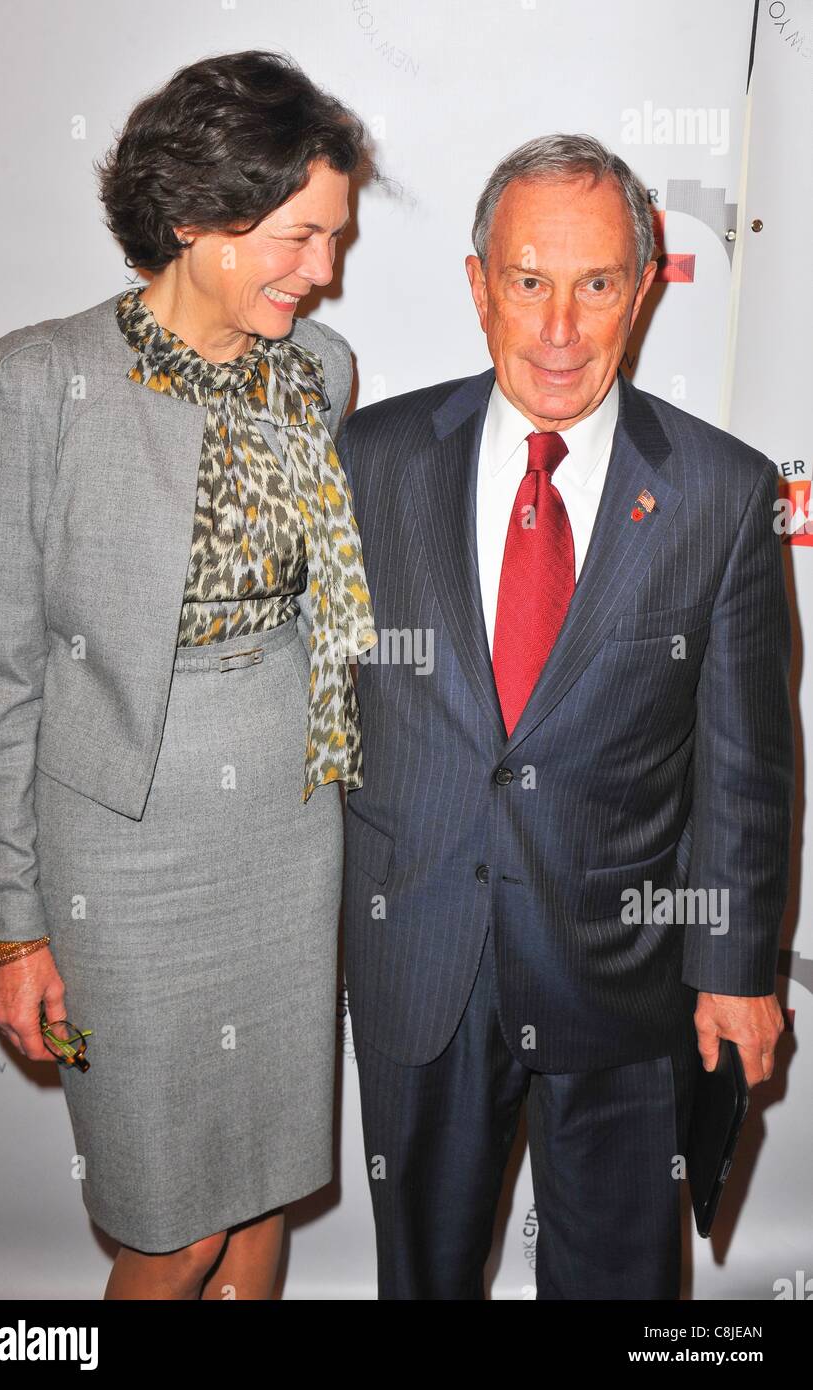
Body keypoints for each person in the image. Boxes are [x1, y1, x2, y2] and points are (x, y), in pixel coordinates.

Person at [337, 132, 793, 1300]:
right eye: (527, 281)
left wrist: (736, 967)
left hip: (621, 973)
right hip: (421, 960)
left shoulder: (721, 490)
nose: (556, 328)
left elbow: (745, 761)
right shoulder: (371, 458)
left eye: (593, 285)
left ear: (640, 288)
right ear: (477, 283)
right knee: (421, 1281)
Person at [0, 49, 378, 1300]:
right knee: (167, 1223)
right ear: (197, 215)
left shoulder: (324, 371)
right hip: (123, 852)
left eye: (335, 238)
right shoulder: (41, 377)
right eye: (299, 237)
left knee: (260, 1189)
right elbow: (4, 674)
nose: (324, 271)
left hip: (292, 825)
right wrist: (16, 927)